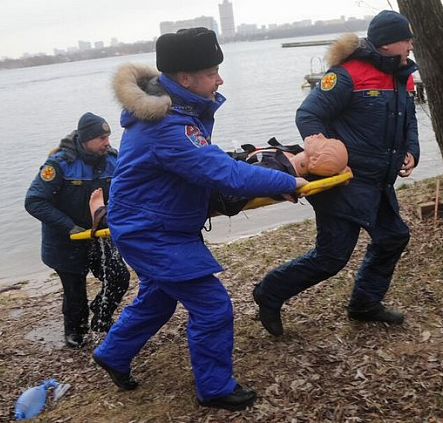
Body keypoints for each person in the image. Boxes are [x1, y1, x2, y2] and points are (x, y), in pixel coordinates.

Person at [91, 27, 308, 411]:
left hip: (160, 223)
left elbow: (209, 166)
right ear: (185, 78)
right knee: (212, 306)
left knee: (158, 299)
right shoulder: (167, 126)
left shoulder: (178, 110)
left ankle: (112, 353)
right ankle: (214, 388)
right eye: (212, 72)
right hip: (150, 231)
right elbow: (225, 173)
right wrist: (287, 178)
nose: (220, 79)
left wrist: (271, 183)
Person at [252, 10, 420, 336]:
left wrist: (412, 151)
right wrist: (321, 150)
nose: (411, 45)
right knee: (331, 257)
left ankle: (365, 304)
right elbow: (309, 114)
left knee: (393, 237)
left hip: (379, 181)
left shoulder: (402, 76)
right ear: (386, 43)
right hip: (343, 183)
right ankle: (269, 292)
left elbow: (408, 121)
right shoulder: (346, 75)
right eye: (407, 39)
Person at [25, 112, 130, 347]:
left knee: (119, 278)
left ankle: (101, 318)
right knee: (75, 292)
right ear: (84, 139)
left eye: (108, 136)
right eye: (101, 138)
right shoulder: (60, 164)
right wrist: (68, 227)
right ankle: (76, 333)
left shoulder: (113, 160)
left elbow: (129, 192)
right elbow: (34, 201)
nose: (107, 142)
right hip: (65, 240)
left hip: (98, 237)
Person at [209, 133, 349, 216]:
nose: (320, 135)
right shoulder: (295, 155)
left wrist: (278, 187)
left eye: (324, 142)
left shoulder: (276, 173)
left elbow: (228, 199)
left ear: (314, 160)